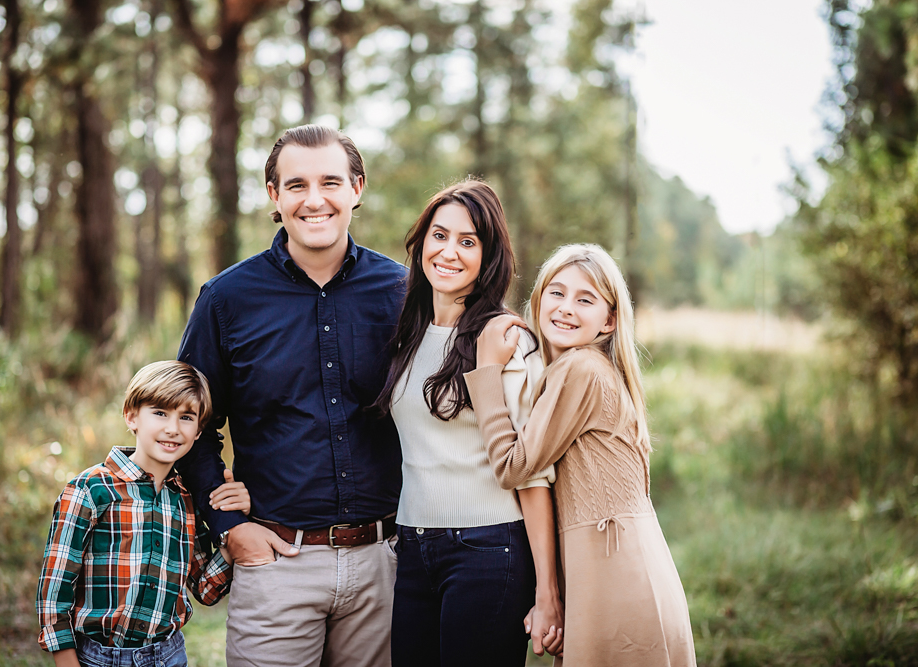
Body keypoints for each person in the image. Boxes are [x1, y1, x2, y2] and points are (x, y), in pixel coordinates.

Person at [176, 124, 407, 666]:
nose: (314, 199)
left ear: (357, 187)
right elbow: (188, 421)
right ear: (275, 197)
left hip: (385, 562)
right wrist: (231, 529)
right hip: (276, 561)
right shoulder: (227, 299)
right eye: (296, 185)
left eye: (330, 181)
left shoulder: (402, 292)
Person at [464, 243, 697, 666]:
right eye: (557, 292)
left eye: (584, 299)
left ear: (609, 320)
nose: (566, 307)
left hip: (618, 575)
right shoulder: (577, 370)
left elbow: (513, 466)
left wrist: (484, 372)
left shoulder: (581, 369)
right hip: (615, 566)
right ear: (538, 300)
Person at [373, 179, 564, 666]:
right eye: (439, 236)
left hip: (489, 549)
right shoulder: (407, 336)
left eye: (468, 241)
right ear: (421, 244)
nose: (449, 252)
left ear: (488, 256)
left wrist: (548, 590)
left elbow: (532, 473)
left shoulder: (505, 340)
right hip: (414, 550)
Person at [37, 361, 251, 667]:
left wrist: (237, 527)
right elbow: (54, 592)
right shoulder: (91, 490)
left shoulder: (186, 500)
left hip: (168, 656)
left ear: (198, 430)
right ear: (132, 415)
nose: (173, 428)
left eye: (186, 417)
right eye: (160, 412)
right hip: (97, 658)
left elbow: (204, 589)